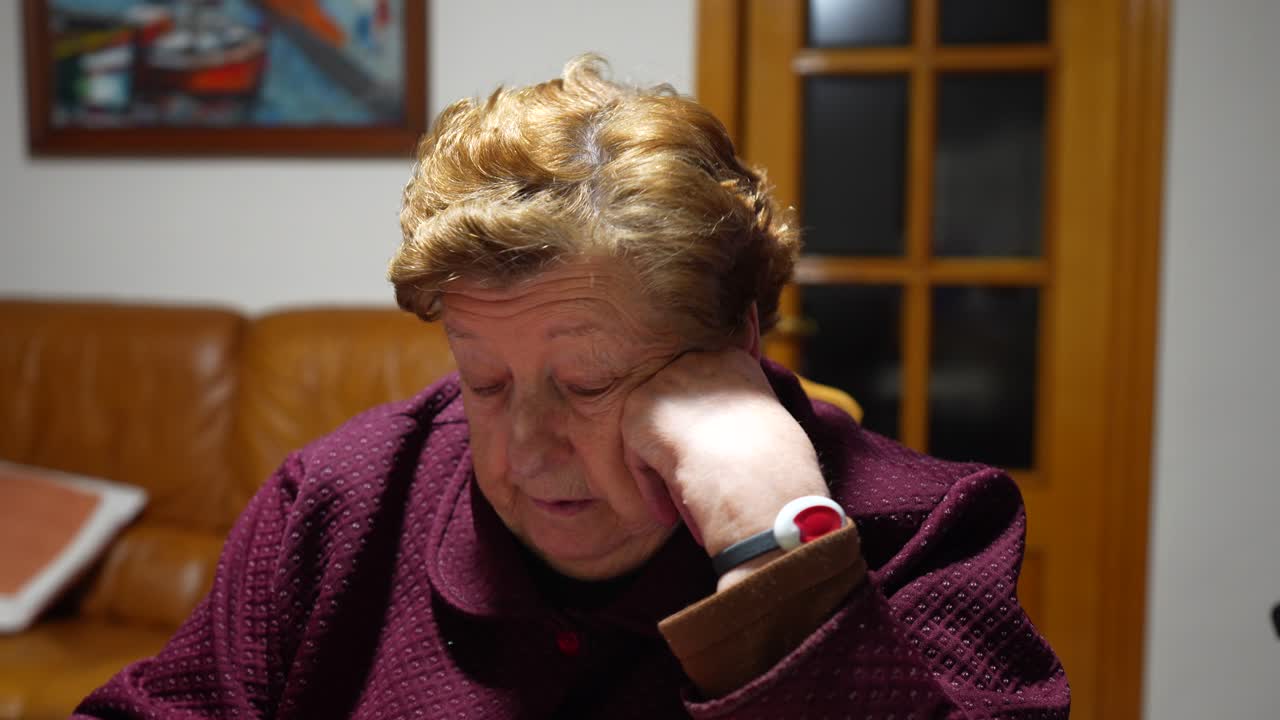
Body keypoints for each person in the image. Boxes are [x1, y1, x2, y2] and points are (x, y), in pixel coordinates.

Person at [75, 56, 1068, 718]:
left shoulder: (934, 530)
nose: (522, 453)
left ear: (733, 343)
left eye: (589, 384)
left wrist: (772, 543)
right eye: (484, 381)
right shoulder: (334, 506)